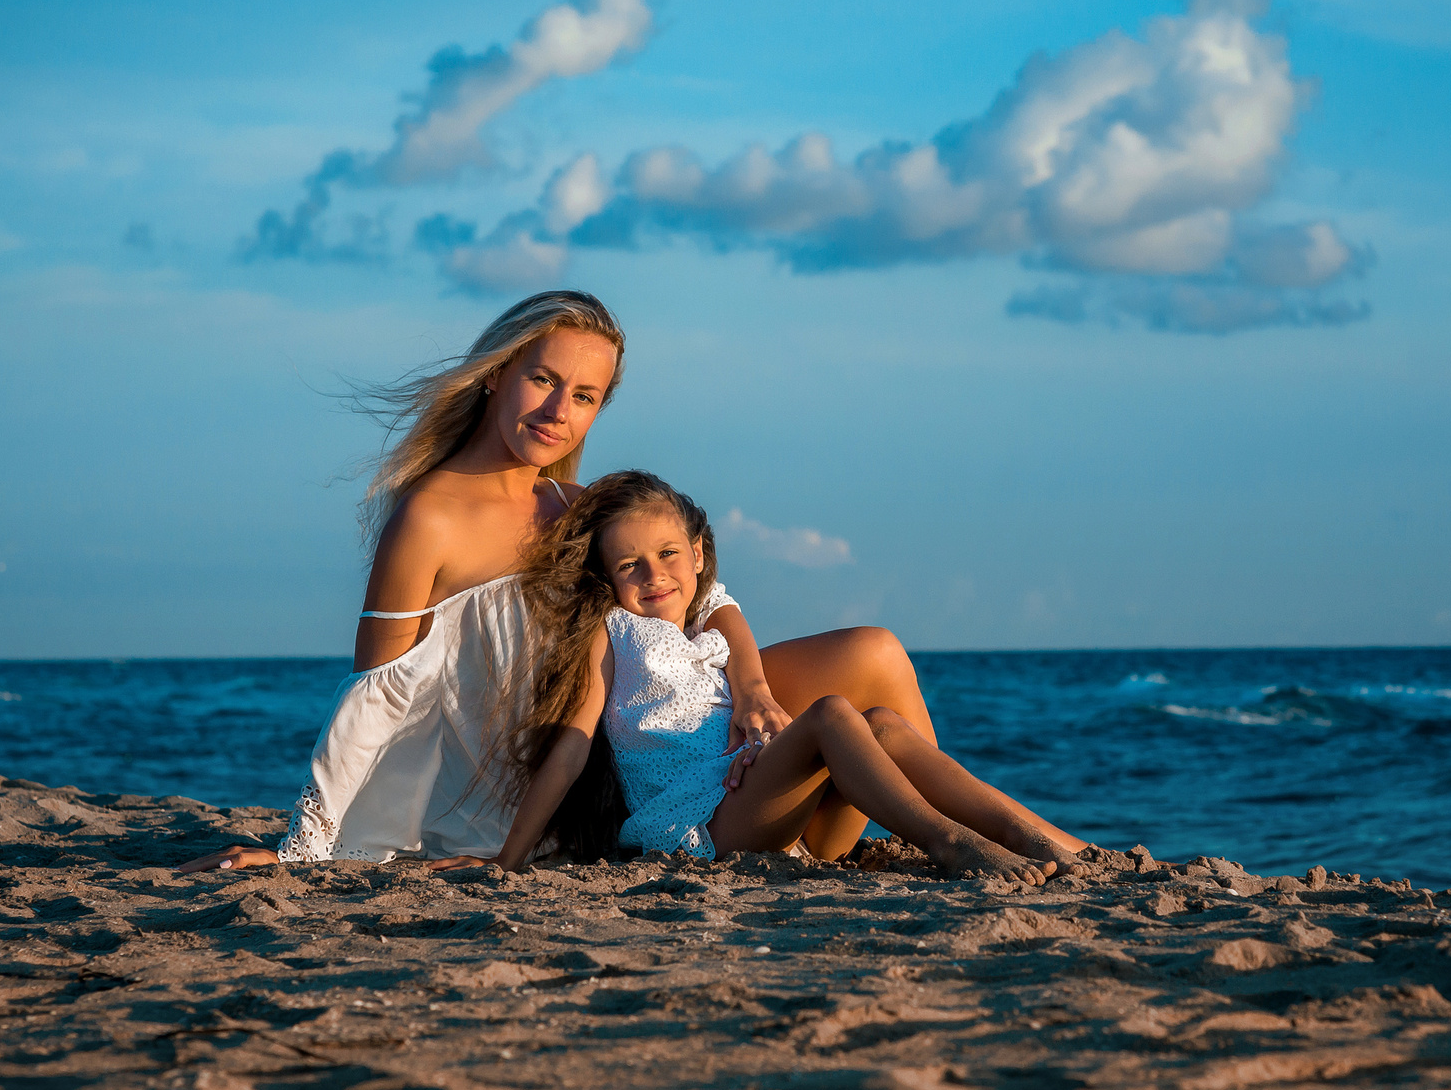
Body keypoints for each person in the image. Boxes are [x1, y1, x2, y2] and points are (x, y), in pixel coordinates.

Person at [177, 290, 960, 872]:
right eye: (542, 379)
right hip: (579, 779)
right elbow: (376, 696)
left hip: (663, 724)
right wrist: (304, 850)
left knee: (875, 653)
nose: (559, 409)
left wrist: (751, 685)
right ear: (495, 374)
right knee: (855, 689)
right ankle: (899, 841)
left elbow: (703, 596)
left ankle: (888, 841)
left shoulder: (574, 505)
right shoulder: (429, 518)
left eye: (584, 396)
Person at [488, 471, 1089, 882]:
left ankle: (1048, 841)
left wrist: (753, 714)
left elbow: (727, 615)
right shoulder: (614, 631)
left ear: (697, 553)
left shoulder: (707, 618)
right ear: (608, 578)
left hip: (776, 816)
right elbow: (572, 745)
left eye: (668, 554)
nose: (654, 575)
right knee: (829, 713)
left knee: (880, 722)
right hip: (705, 824)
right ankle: (948, 842)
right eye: (630, 565)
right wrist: (506, 862)